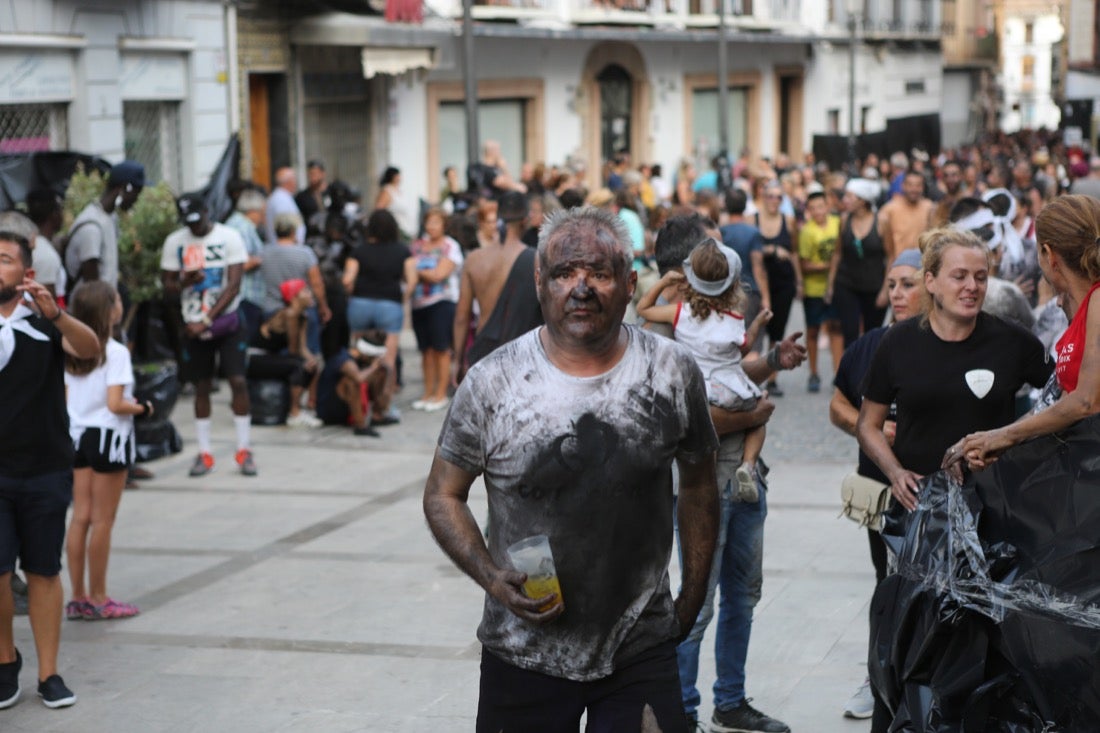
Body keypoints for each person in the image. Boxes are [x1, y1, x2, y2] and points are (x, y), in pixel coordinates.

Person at [424, 206, 721, 733]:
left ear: (631, 284)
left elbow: (698, 482)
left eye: (599, 273)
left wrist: (693, 596)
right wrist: (491, 577)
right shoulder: (493, 382)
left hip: (640, 650)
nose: (580, 288)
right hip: (523, 650)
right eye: (564, 273)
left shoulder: (672, 372)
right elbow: (443, 495)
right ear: (540, 282)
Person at [855, 228, 1051, 732]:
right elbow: (868, 424)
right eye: (959, 276)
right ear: (931, 282)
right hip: (918, 516)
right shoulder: (896, 344)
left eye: (981, 277)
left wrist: (1012, 447)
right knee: (912, 638)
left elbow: (1057, 405)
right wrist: (895, 471)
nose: (972, 287)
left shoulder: (1013, 344)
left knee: (987, 643)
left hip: (994, 521)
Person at [641, 215, 803, 733]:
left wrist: (774, 358)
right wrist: (750, 417)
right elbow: (682, 416)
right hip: (701, 483)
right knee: (697, 600)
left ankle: (729, 699)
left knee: (742, 593)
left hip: (743, 477)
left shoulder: (710, 314)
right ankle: (682, 712)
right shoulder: (664, 325)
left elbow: (734, 368)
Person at [0, 227, 99, 709]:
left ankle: (50, 673)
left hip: (43, 469)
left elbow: (89, 349)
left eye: (2, 259)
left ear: (27, 273)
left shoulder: (44, 324)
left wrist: (56, 313)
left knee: (41, 571)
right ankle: (4, 662)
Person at [827, 248, 924, 720]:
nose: (897, 294)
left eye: (908, 284)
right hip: (880, 493)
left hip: (937, 493)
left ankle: (923, 679)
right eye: (892, 285)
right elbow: (838, 406)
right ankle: (879, 675)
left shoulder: (950, 344)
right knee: (887, 583)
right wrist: (870, 427)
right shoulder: (869, 345)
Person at [950, 194, 1100, 469]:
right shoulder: (1083, 308)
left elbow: (1085, 402)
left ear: (1048, 254)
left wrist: (1004, 436)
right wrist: (996, 443)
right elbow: (1058, 405)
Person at [637, 239, 772, 502]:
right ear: (733, 284)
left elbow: (643, 309)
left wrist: (664, 283)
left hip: (699, 389)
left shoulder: (680, 313)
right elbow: (743, 348)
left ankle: (705, 477)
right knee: (759, 419)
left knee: (705, 439)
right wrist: (756, 324)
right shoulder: (734, 318)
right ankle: (748, 464)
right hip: (732, 388)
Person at [62, 281, 151, 622]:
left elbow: (68, 400)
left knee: (80, 516)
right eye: (116, 300)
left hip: (76, 436)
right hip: (108, 438)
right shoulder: (115, 352)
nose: (120, 304)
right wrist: (143, 409)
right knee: (103, 520)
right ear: (108, 310)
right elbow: (115, 404)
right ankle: (99, 597)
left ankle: (78, 597)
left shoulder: (69, 349)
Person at [160, 193, 257, 478]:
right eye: (189, 223)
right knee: (201, 386)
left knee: (238, 381)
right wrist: (183, 282)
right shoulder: (175, 242)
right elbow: (166, 287)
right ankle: (204, 453)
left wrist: (207, 320)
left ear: (207, 212)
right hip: (192, 325)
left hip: (226, 323)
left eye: (198, 221)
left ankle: (244, 449)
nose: (194, 228)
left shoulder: (230, 237)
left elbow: (234, 285)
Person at [452, 191, 544, 381]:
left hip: (483, 352)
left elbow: (462, 317)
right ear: (525, 220)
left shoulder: (474, 259)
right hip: (523, 354)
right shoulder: (536, 260)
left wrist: (458, 360)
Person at [343, 209, 410, 416]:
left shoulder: (359, 250)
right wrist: (401, 301)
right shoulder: (402, 251)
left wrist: (353, 295)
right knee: (387, 360)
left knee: (357, 355)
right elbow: (412, 280)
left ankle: (357, 403)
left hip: (360, 305)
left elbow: (347, 280)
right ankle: (384, 407)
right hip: (389, 305)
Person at [405, 208, 463, 411]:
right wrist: (422, 272)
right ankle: (427, 392)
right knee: (425, 350)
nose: (432, 226)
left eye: (436, 222)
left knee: (441, 349)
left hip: (442, 301)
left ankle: (440, 394)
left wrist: (417, 271)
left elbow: (440, 274)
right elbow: (407, 269)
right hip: (418, 303)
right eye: (429, 222)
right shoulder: (417, 246)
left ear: (444, 225)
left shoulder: (450, 246)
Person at [827, 178, 888, 347]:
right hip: (846, 284)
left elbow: (890, 257)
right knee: (849, 334)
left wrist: (886, 290)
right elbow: (837, 254)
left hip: (874, 286)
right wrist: (830, 285)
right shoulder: (845, 220)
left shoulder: (881, 222)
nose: (844, 200)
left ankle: (868, 373)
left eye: (849, 196)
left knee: (872, 336)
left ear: (862, 201)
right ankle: (850, 372)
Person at [754, 180, 801, 395]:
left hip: (783, 281)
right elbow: (749, 250)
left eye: (779, 197)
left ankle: (772, 378)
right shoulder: (752, 219)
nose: (774, 200)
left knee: (777, 330)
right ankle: (752, 374)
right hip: (759, 281)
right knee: (756, 330)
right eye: (770, 196)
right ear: (763, 197)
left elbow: (794, 252)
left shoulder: (788, 221)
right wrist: (772, 249)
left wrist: (799, 281)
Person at [64, 160, 144, 288]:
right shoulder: (91, 226)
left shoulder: (110, 217)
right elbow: (92, 285)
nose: (136, 200)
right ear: (125, 188)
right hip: (93, 305)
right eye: (136, 193)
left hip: (106, 303)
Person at [798, 189, 843, 391]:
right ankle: (813, 373)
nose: (818, 211)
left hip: (836, 287)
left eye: (821, 206)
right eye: (813, 207)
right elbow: (804, 264)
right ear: (808, 210)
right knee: (813, 330)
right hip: (814, 288)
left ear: (828, 206)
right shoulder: (807, 232)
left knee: (836, 328)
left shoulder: (837, 224)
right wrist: (830, 265)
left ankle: (838, 373)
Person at [719, 189, 770, 355]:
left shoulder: (720, 232)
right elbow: (759, 268)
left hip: (724, 292)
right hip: (749, 291)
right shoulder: (753, 233)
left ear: (726, 206)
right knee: (752, 341)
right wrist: (766, 297)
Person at [315, 338, 388, 437]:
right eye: (374, 358)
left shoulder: (359, 359)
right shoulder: (344, 360)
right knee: (352, 382)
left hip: (345, 407)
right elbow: (359, 379)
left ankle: (377, 416)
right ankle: (360, 426)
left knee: (380, 372)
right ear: (366, 354)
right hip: (330, 411)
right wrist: (374, 367)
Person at [223, 187, 267, 341]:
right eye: (262, 212)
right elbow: (241, 263)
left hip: (244, 295)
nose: (263, 216)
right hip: (245, 295)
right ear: (253, 211)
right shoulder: (241, 227)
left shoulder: (235, 224)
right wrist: (259, 259)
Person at [878, 169, 932, 260]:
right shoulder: (889, 209)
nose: (914, 189)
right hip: (897, 264)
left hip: (922, 265)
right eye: (910, 185)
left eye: (918, 185)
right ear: (903, 186)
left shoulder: (929, 208)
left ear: (923, 187)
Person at [24, 191, 66, 302]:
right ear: (54, 214)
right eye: (61, 209)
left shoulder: (37, 244)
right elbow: (46, 302)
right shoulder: (45, 254)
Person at [375, 166, 419, 240]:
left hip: (407, 230)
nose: (399, 177)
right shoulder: (387, 191)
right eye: (397, 175)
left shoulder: (398, 190)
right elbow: (379, 210)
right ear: (392, 176)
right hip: (397, 230)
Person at [295, 159, 329, 236]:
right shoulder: (302, 197)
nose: (312, 177)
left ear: (322, 174)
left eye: (315, 174)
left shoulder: (331, 192)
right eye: (310, 174)